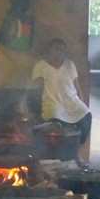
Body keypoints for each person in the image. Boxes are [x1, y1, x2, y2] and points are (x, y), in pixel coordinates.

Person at [31, 38, 92, 167]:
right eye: (55, 50)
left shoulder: (70, 65)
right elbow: (35, 89)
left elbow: (77, 86)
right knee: (58, 122)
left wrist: (82, 102)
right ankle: (62, 157)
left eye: (61, 50)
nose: (58, 53)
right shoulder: (41, 66)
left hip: (71, 101)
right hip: (52, 102)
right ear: (49, 51)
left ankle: (76, 152)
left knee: (87, 116)